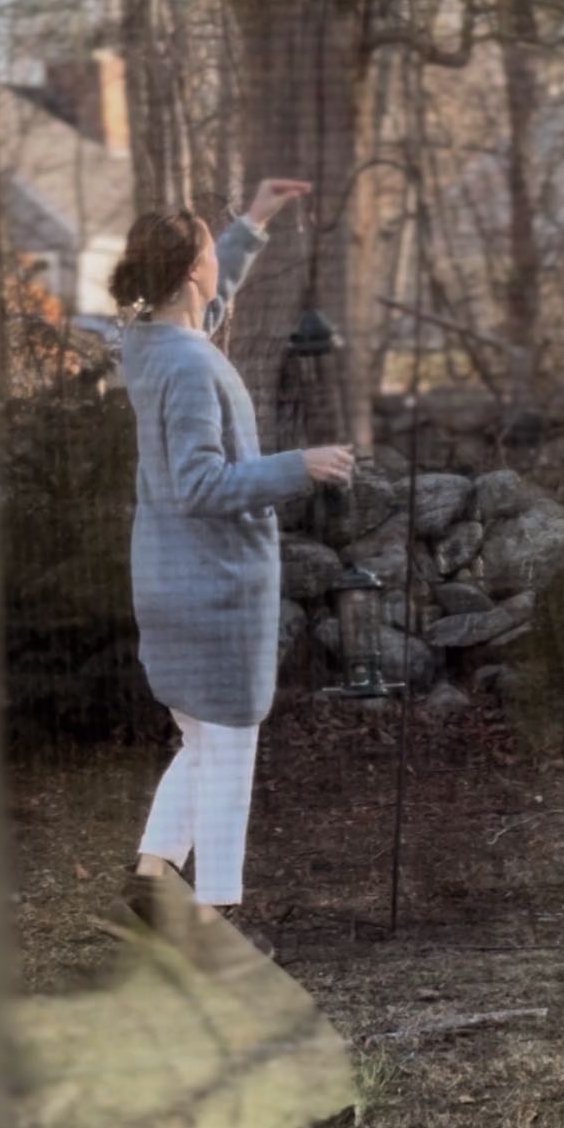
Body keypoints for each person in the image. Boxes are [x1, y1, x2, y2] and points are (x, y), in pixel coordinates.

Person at [110, 181, 354, 955]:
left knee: (201, 739)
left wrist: (251, 223)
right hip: (213, 591)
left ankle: (153, 878)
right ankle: (211, 921)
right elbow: (201, 484)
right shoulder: (185, 367)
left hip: (176, 582)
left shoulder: (150, 342)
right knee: (229, 755)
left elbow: (207, 315)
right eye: (212, 252)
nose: (219, 262)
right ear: (189, 273)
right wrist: (299, 465)